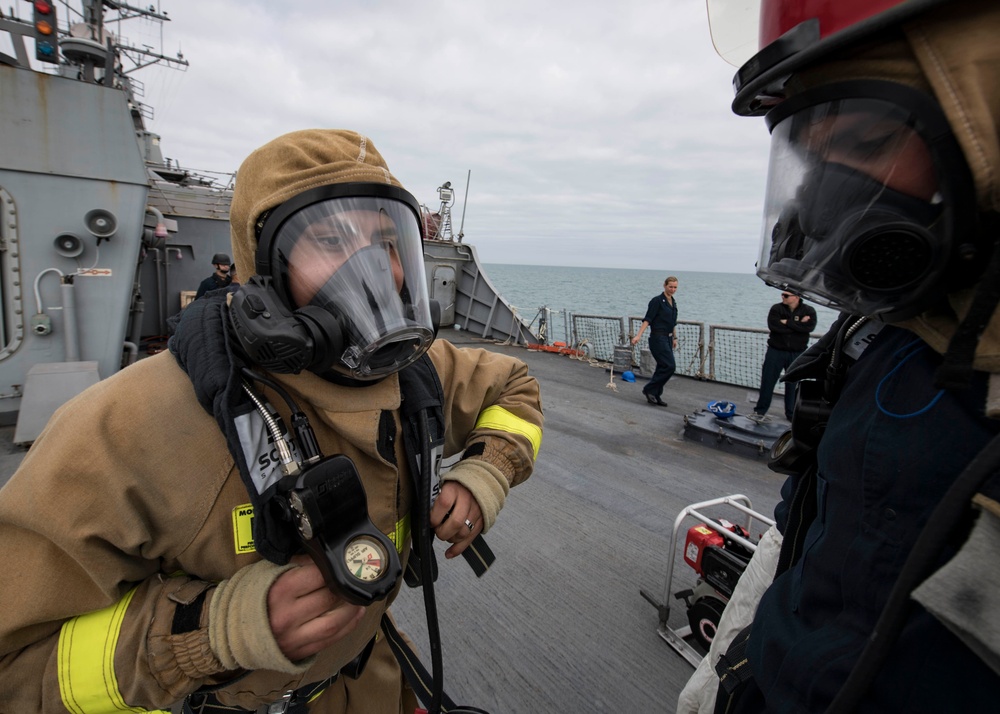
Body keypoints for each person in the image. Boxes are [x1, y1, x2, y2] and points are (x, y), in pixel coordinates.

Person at [0, 129, 544, 713]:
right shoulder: (125, 427)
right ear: (259, 270)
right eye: (332, 240)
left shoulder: (419, 373)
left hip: (371, 680)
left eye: (387, 242)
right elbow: (15, 670)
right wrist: (213, 634)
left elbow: (515, 388)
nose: (375, 272)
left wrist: (485, 472)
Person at [678, 1, 1000, 712]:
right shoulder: (881, 339)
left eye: (866, 137)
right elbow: (806, 535)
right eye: (812, 152)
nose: (822, 194)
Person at [748, 290, 816, 422]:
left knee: (793, 383)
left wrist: (787, 322)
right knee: (768, 380)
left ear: (796, 297)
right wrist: (798, 325)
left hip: (797, 352)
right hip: (776, 351)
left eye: (786, 295)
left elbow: (809, 328)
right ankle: (760, 410)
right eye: (782, 295)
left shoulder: (809, 310)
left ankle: (791, 413)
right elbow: (774, 327)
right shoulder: (776, 309)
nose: (783, 297)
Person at [631, 276, 678, 406]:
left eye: (675, 287)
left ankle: (655, 394)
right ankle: (649, 389)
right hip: (658, 338)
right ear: (664, 285)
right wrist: (638, 335)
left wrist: (674, 337)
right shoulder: (657, 301)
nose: (673, 289)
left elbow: (672, 322)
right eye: (670, 287)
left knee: (662, 366)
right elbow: (648, 319)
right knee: (670, 366)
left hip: (668, 338)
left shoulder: (673, 302)